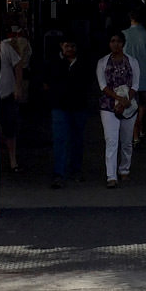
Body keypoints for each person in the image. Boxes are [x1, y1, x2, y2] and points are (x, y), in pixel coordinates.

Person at [45, 37, 95, 188]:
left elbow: (89, 82)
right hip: (59, 106)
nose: (70, 49)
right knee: (60, 140)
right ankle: (59, 173)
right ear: (61, 46)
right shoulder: (53, 62)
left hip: (78, 106)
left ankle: (75, 170)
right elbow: (46, 81)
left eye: (73, 46)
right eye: (67, 46)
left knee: (77, 140)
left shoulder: (84, 63)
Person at [96, 32, 140, 188]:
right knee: (111, 140)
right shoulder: (102, 62)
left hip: (128, 105)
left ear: (123, 43)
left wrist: (126, 99)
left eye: (119, 41)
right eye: (113, 41)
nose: (116, 44)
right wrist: (117, 98)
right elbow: (103, 86)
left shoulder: (132, 62)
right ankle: (111, 175)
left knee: (127, 141)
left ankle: (124, 169)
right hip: (109, 105)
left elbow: (135, 84)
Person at [122, 9, 146, 145]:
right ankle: (139, 129)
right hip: (145, 77)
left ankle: (135, 135)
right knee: (143, 106)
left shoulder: (123, 35)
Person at [0, 35, 24, 173]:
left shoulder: (4, 47)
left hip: (6, 92)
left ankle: (12, 160)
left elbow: (18, 64)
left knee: (10, 126)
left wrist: (18, 87)